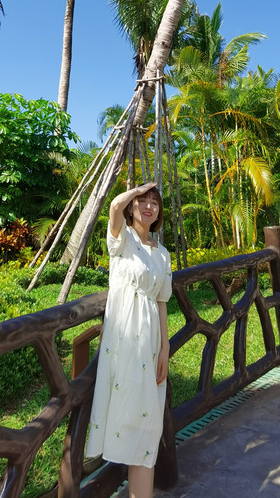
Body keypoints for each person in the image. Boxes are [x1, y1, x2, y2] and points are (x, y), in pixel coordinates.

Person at [86, 181, 172, 498]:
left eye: (154, 202)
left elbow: (162, 302)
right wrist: (136, 189)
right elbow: (112, 208)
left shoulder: (162, 254)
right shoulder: (122, 240)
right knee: (129, 414)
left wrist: (164, 347)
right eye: (142, 201)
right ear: (132, 207)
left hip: (151, 341)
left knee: (149, 424)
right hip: (124, 338)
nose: (148, 206)